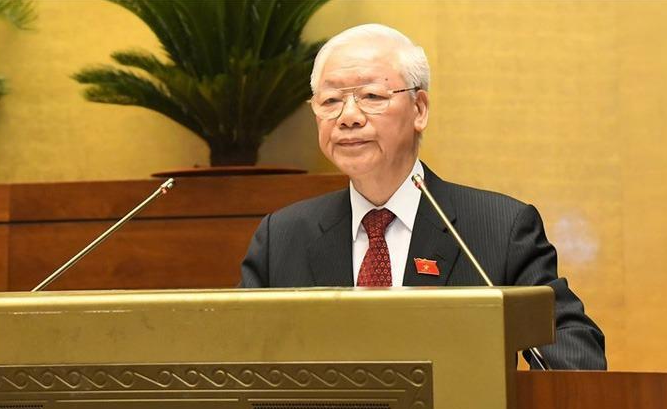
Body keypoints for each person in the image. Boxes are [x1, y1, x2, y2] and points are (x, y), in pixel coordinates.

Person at [241, 23, 606, 370]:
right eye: (331, 100)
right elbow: (236, 360)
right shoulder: (283, 236)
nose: (348, 117)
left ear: (419, 109)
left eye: (371, 96)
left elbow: (576, 353)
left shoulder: (499, 229)